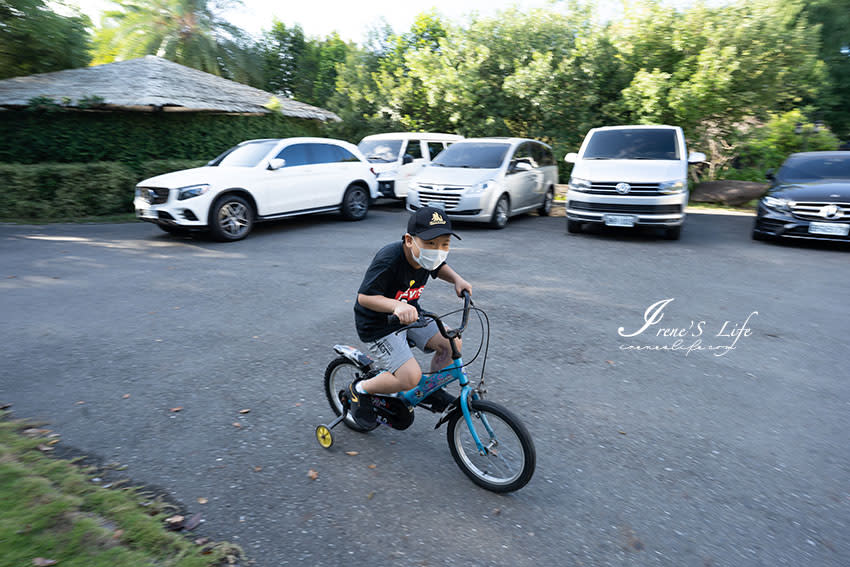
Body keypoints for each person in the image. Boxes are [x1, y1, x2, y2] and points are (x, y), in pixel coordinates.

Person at [349, 206, 472, 428]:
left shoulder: (425, 258)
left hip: (410, 314)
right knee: (409, 377)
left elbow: (438, 266)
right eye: (431, 244)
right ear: (409, 240)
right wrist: (396, 306)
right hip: (378, 325)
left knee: (452, 343)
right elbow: (364, 297)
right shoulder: (389, 259)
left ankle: (430, 390)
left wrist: (457, 279)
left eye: (445, 244)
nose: (438, 250)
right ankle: (361, 389)